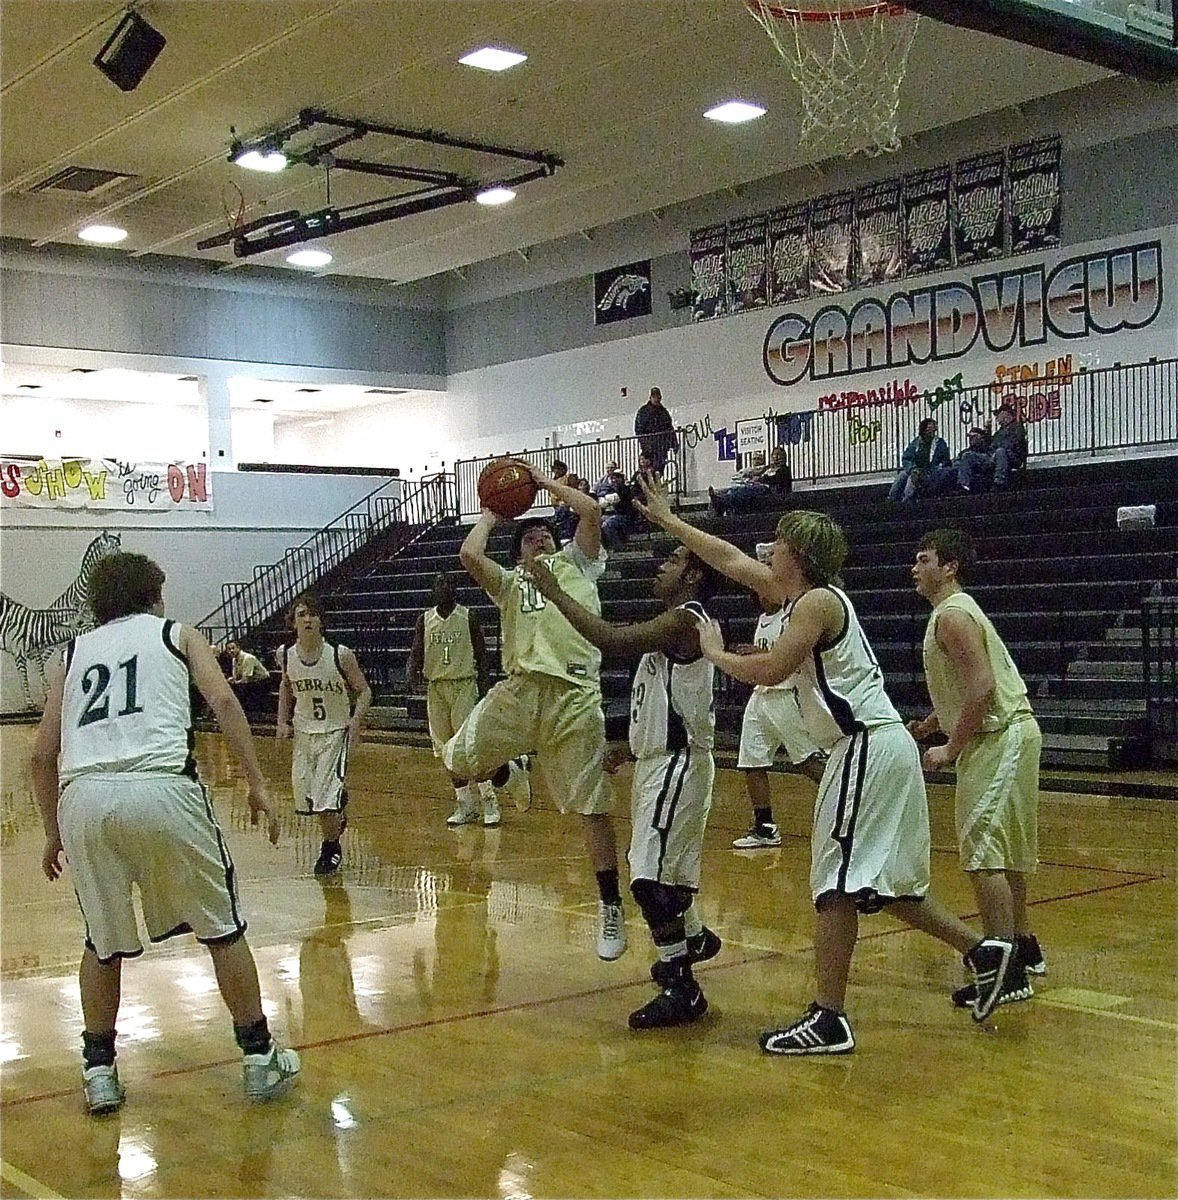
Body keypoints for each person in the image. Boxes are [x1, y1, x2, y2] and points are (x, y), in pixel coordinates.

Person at [633, 482, 1019, 1052]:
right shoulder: (798, 595)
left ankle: (829, 1018)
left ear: (800, 555)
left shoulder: (816, 603)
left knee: (835, 888)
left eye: (780, 543)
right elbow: (727, 557)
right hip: (875, 747)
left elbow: (770, 670)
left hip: (863, 746)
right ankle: (985, 953)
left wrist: (714, 653)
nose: (769, 550)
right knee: (881, 886)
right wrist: (669, 520)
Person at [29, 551, 299, 1115]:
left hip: (85, 798)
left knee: (101, 942)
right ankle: (258, 1057)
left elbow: (41, 754)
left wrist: (54, 831)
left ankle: (99, 1072)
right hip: (161, 785)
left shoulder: (71, 653)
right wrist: (256, 783)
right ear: (152, 594)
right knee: (222, 927)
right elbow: (223, 700)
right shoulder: (177, 634)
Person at [524, 541, 724, 1029]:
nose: (661, 566)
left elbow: (609, 639)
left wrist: (552, 590)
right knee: (661, 875)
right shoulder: (675, 622)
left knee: (648, 882)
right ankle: (691, 942)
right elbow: (668, 701)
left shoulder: (685, 620)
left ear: (694, 576)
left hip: (677, 765)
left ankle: (683, 986)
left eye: (673, 560)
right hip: (660, 763)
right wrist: (630, 747)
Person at [443, 461, 628, 961]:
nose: (541, 539)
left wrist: (544, 486)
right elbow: (468, 552)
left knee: (591, 807)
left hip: (574, 696)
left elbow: (588, 509)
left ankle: (611, 906)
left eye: (546, 533)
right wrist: (496, 509)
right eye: (530, 538)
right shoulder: (509, 583)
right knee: (456, 762)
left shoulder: (579, 564)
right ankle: (509, 771)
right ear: (518, 553)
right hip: (519, 693)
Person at [909, 528, 1046, 1008]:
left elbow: (984, 686)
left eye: (924, 559)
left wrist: (950, 745)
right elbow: (971, 684)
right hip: (1005, 735)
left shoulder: (952, 615)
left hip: (998, 736)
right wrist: (932, 723)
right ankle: (1022, 946)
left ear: (950, 568)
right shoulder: (953, 613)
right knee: (1002, 851)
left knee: (983, 854)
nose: (915, 568)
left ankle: (1004, 970)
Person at [407, 572, 529, 828]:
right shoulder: (425, 620)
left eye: (449, 583)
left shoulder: (467, 616)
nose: (444, 587)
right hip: (437, 689)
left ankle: (489, 801)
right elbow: (417, 650)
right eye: (439, 583)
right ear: (433, 590)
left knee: (472, 749)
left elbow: (482, 656)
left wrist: (484, 689)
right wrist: (413, 672)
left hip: (464, 685)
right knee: (445, 751)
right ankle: (465, 804)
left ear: (456, 589)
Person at [732, 563, 828, 850]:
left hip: (788, 696)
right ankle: (765, 827)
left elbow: (795, 655)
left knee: (808, 762)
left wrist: (759, 654)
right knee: (751, 762)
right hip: (761, 696)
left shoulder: (794, 615)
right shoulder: (762, 618)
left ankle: (853, 809)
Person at [276, 593, 371, 876]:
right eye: (302, 614)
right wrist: (282, 721)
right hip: (304, 734)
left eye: (313, 614)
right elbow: (285, 686)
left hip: (334, 734)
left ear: (321, 622)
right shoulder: (285, 655)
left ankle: (331, 848)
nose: (307, 619)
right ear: (293, 622)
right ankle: (338, 808)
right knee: (306, 798)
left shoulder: (340, 654)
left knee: (323, 802)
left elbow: (364, 691)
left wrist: (355, 721)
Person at [957, 404, 1028, 492]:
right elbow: (989, 446)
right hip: (993, 456)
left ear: (1006, 414)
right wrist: (987, 433)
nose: (997, 417)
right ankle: (963, 484)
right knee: (967, 455)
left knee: (1000, 451)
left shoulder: (1017, 427)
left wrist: (995, 450)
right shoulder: (999, 432)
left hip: (1011, 456)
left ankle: (1000, 482)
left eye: (999, 414)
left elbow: (1011, 444)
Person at [709, 446, 793, 517]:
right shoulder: (767, 469)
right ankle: (718, 501)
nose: (776, 457)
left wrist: (759, 479)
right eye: (775, 454)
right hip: (757, 489)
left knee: (747, 491)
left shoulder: (784, 470)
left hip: (771, 494)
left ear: (784, 457)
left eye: (779, 455)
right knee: (733, 490)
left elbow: (773, 479)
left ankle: (721, 501)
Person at [887, 417, 952, 503]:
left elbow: (945, 459)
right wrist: (912, 468)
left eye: (933, 428)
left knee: (912, 478)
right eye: (929, 428)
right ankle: (892, 499)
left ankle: (907, 500)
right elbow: (907, 458)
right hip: (916, 469)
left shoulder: (939, 443)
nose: (932, 431)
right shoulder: (916, 443)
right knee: (902, 475)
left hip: (930, 472)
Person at [634, 386, 677, 476]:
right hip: (650, 447)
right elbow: (639, 429)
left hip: (661, 446)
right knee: (649, 468)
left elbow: (669, 427)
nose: (656, 399)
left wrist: (674, 443)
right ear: (651, 397)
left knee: (659, 468)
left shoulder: (663, 412)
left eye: (658, 397)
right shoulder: (643, 411)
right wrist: (645, 443)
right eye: (654, 397)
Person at [225, 640, 272, 717]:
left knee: (242, 688)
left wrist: (235, 682)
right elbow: (236, 676)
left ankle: (248, 713)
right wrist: (231, 679)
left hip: (263, 682)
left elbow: (246, 679)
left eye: (233, 648)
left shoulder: (248, 658)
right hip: (251, 681)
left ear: (238, 648)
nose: (231, 651)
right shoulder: (234, 660)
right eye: (229, 649)